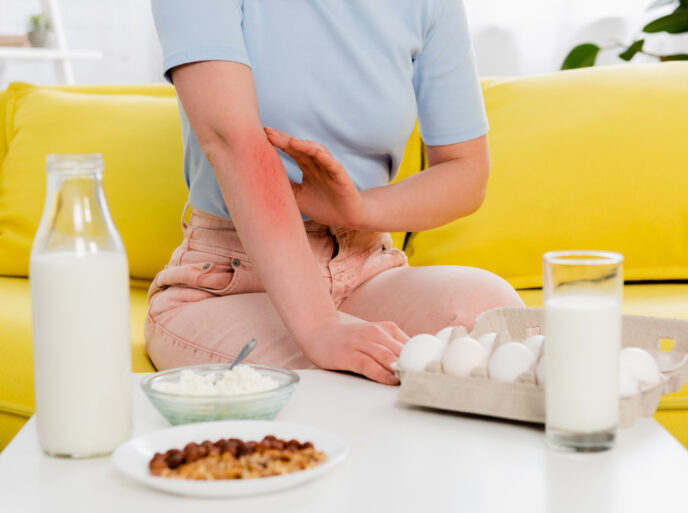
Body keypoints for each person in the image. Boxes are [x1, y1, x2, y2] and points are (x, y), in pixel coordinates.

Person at [146, 0, 524, 386]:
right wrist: (321, 327)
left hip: (365, 268)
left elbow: (465, 170)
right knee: (339, 386)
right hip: (230, 282)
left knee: (499, 323)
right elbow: (232, 142)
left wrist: (358, 209)